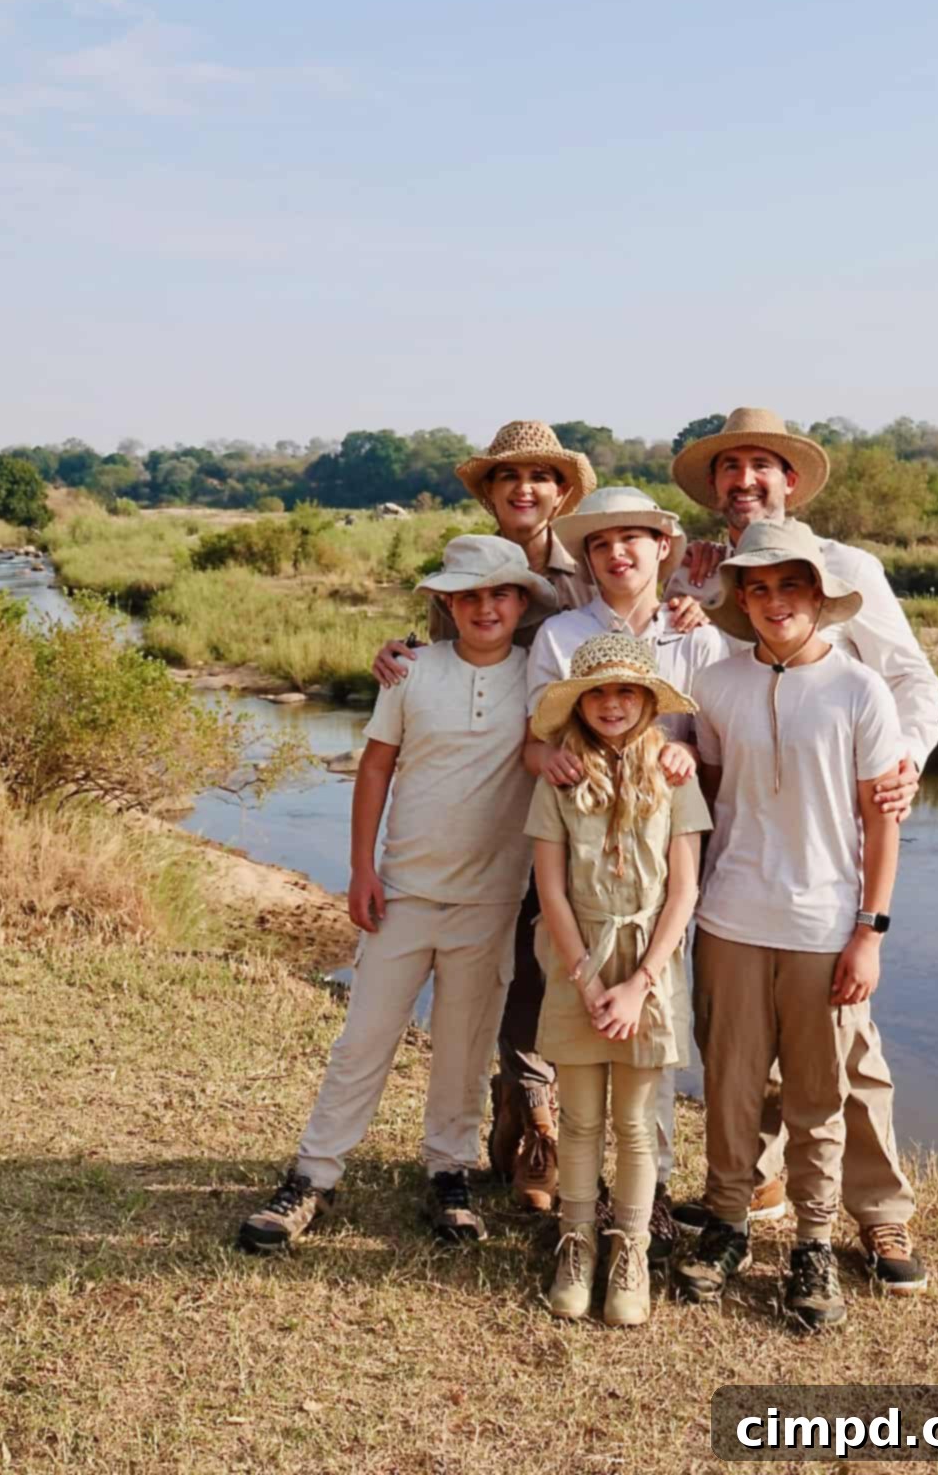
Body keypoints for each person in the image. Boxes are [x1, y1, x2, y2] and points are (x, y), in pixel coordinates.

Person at [370, 430, 704, 1216]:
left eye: (540, 477)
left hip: (634, 823)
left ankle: (635, 1177)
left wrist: (698, 602)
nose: (524, 489)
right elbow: (451, 668)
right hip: (517, 806)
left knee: (625, 972)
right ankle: (532, 1123)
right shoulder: (485, 577)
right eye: (508, 477)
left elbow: (697, 708)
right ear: (488, 492)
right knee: (527, 971)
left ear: (563, 493)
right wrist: (398, 655)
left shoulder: (604, 584)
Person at [669, 409, 938, 1279]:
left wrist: (904, 765)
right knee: (737, 1050)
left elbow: (910, 677)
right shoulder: (696, 569)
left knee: (846, 1056)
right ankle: (746, 1193)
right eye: (730, 467)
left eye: (762, 465)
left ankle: (877, 1213)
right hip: (742, 869)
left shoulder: (848, 567)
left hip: (835, 851)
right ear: (714, 487)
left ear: (790, 479)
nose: (744, 480)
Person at [237, 535, 556, 1254]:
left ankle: (450, 1172)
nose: (485, 608)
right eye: (468, 596)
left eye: (500, 594)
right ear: (446, 602)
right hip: (405, 890)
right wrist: (362, 869)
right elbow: (377, 766)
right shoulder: (410, 670)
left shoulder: (538, 676)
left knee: (464, 1047)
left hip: (491, 901)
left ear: (521, 601)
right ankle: (313, 1175)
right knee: (365, 1039)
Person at [524, 485, 727, 1248]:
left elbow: (714, 743)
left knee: (654, 1032)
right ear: (587, 557)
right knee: (575, 1034)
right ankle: (569, 1192)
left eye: (633, 539)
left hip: (667, 847)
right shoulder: (563, 633)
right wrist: (555, 762)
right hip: (580, 842)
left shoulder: (694, 633)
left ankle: (650, 1202)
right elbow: (536, 739)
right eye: (602, 543)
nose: (618, 554)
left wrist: (682, 755)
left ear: (662, 547)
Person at [526, 634, 710, 1324]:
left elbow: (684, 890)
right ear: (578, 702)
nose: (611, 704)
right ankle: (575, 1243)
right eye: (598, 692)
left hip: (648, 965)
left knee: (635, 1123)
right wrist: (585, 980)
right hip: (576, 959)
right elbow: (550, 889)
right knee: (579, 1119)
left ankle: (629, 1249)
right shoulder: (560, 778)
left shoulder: (674, 775)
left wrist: (639, 985)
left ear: (648, 701)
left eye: (626, 691)